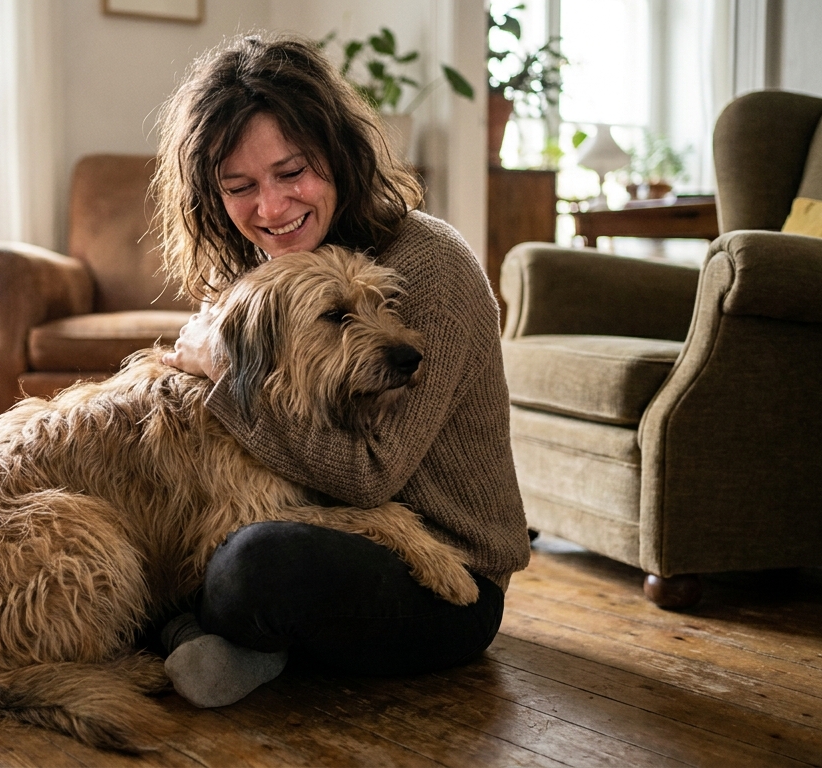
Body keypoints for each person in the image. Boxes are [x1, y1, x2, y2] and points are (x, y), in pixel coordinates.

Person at [149, 32, 530, 708]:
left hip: (442, 578)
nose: (270, 209)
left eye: (291, 172)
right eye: (240, 187)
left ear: (337, 154)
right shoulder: (264, 272)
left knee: (253, 568)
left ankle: (208, 638)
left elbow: (370, 474)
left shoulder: (428, 264)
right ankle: (214, 641)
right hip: (315, 522)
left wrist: (222, 377)